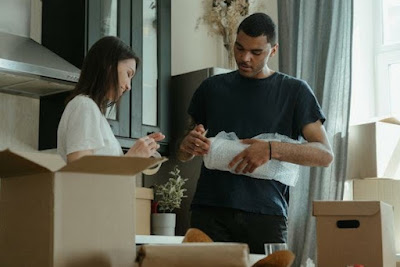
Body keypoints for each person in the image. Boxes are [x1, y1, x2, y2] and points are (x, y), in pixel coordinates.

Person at [177, 13, 334, 254]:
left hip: (266, 216)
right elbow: (185, 151)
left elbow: (324, 155)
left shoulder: (295, 91)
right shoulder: (211, 88)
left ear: (273, 50)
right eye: (239, 48)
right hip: (209, 211)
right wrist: (188, 146)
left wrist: (271, 149)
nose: (244, 58)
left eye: (256, 52)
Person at [58, 36, 164, 163]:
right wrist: (131, 159)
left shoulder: (93, 111)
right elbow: (80, 172)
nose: (128, 86)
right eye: (128, 74)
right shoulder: (84, 105)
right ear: (108, 66)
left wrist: (138, 154)